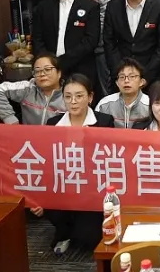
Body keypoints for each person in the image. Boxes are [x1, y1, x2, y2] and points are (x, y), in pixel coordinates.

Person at [36, 74, 113, 255]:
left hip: (93, 189)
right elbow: (47, 162)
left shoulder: (104, 121)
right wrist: (38, 196)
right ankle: (63, 233)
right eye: (68, 96)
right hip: (64, 186)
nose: (73, 101)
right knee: (51, 207)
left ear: (90, 97)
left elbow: (111, 159)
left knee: (88, 239)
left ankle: (77, 231)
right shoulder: (53, 124)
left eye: (79, 96)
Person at [32, 0, 101, 83]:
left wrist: (62, 62)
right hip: (48, 69)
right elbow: (37, 38)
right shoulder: (43, 7)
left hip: (80, 68)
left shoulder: (91, 7)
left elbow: (90, 41)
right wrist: (48, 63)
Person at [102, 0, 160, 88]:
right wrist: (120, 73)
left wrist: (145, 77)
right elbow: (109, 42)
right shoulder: (113, 7)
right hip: (121, 76)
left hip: (151, 77)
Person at [0, 54, 65, 125]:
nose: (42, 74)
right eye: (37, 71)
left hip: (58, 134)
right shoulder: (28, 89)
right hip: (28, 134)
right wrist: (10, 119)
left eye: (47, 69)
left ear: (59, 73)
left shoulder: (68, 93)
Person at [95, 58, 150, 128]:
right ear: (117, 83)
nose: (126, 80)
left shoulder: (149, 105)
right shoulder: (104, 104)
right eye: (122, 77)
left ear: (141, 82)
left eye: (132, 76)